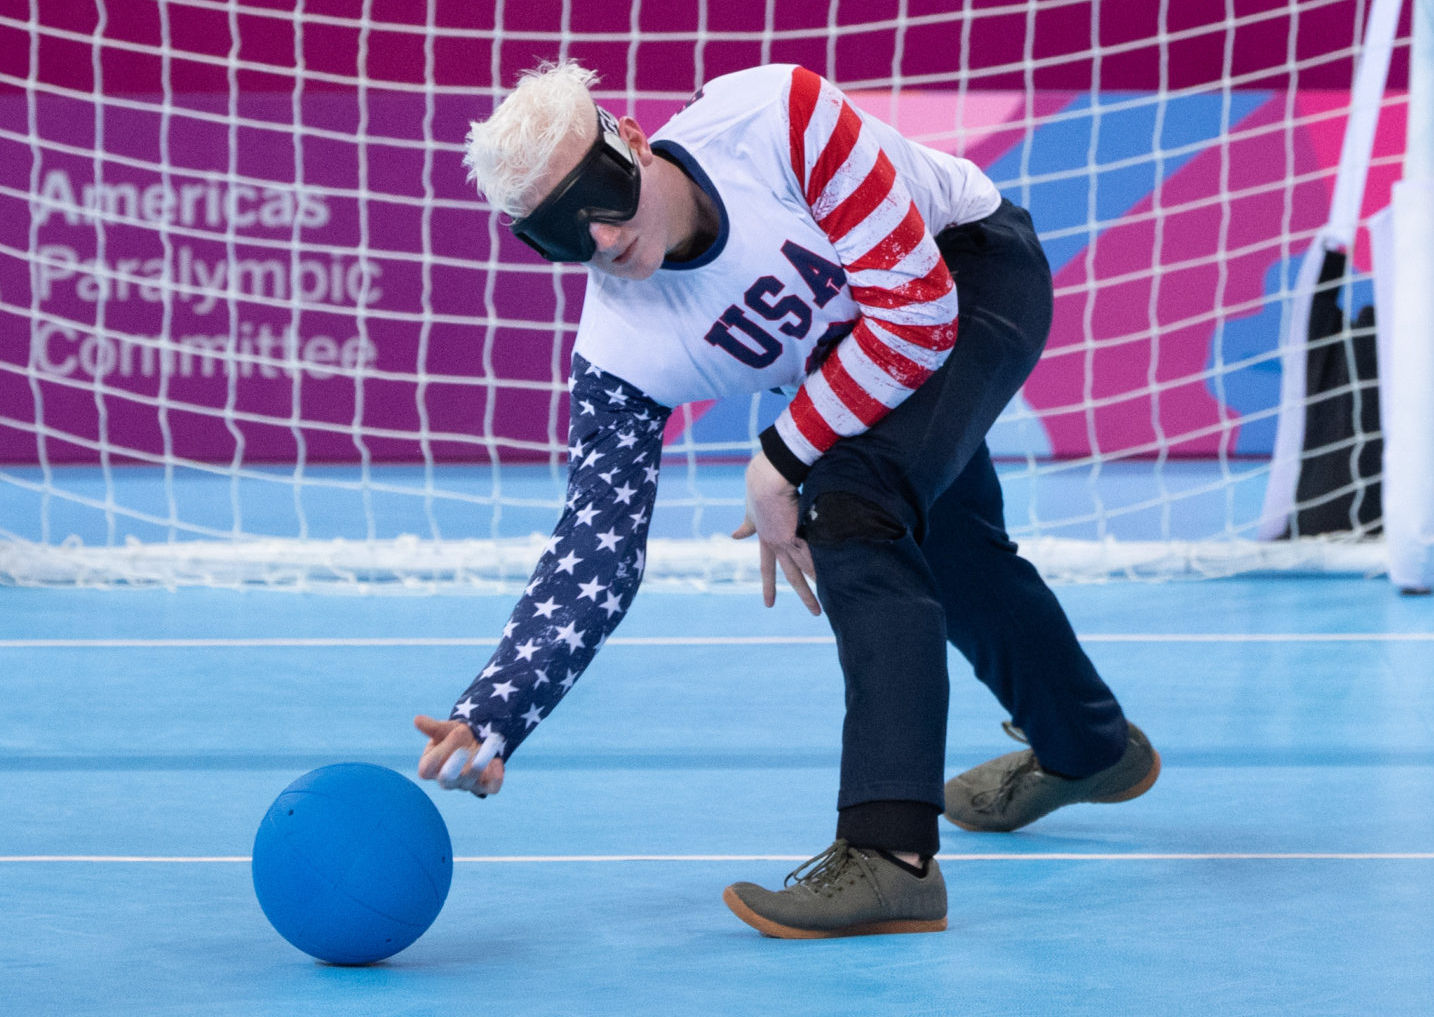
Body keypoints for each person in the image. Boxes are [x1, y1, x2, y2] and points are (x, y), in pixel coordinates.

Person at [412, 59, 1158, 937]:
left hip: (971, 269)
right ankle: (1088, 747)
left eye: (603, 195)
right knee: (955, 556)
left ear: (634, 143)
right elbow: (596, 546)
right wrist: (497, 709)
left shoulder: (775, 118)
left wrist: (777, 460)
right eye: (560, 234)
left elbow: (917, 313)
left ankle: (891, 856)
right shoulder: (620, 348)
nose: (605, 240)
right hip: (859, 368)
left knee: (850, 505)